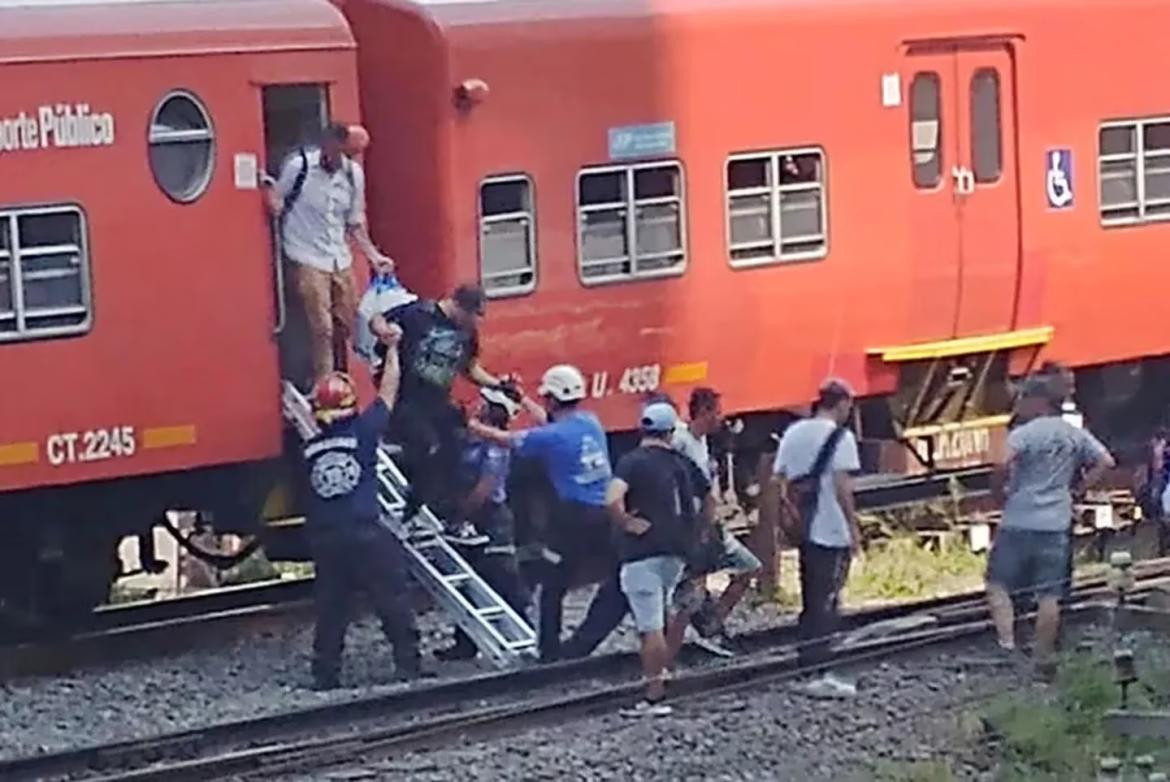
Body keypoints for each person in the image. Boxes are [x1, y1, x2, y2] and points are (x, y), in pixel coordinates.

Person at [301, 322, 422, 690]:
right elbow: (388, 392)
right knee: (391, 596)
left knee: (332, 606)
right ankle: (408, 664)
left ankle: (325, 674)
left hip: (325, 538)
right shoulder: (365, 433)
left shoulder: (308, 449)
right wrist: (394, 350)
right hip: (365, 532)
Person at [468, 364, 613, 661]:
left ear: (552, 398)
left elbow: (507, 440)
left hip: (573, 519)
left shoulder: (550, 438)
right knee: (619, 579)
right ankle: (583, 644)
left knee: (553, 586)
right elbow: (551, 420)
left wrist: (468, 425)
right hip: (606, 515)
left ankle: (550, 653)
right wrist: (521, 399)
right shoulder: (590, 422)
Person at [986, 374, 1114, 674]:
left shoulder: (1025, 434)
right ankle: (1042, 655)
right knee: (1049, 593)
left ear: (1038, 402)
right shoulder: (1073, 433)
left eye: (1024, 399)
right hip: (1056, 522)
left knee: (998, 583)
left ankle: (1007, 643)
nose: (1020, 405)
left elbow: (1002, 463)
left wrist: (998, 492)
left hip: (1018, 519)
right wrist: (1079, 489)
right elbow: (1106, 461)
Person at [370, 283, 509, 544]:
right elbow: (378, 319)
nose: (475, 321)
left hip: (437, 401)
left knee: (456, 448)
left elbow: (469, 369)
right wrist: (385, 332)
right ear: (458, 306)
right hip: (405, 398)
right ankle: (407, 517)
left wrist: (498, 384)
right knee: (427, 447)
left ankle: (453, 521)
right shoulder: (418, 314)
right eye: (473, 314)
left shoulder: (467, 332)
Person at [264, 122, 393, 381]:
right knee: (321, 325)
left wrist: (373, 255)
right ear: (326, 146)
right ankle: (325, 383)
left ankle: (342, 370)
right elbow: (277, 198)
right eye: (335, 153)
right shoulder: (299, 166)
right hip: (305, 253)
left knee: (347, 319)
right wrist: (270, 198)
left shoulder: (353, 174)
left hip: (338, 255)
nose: (338, 160)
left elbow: (355, 221)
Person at [608, 402, 701, 716]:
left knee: (650, 627)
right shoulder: (682, 462)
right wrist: (697, 533)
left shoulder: (631, 462)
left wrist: (626, 523)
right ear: (671, 433)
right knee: (663, 617)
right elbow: (708, 497)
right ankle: (664, 675)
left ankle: (654, 696)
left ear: (642, 430)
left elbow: (612, 498)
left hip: (641, 553)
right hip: (676, 550)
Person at [772, 378, 862, 698]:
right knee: (828, 600)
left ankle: (805, 663)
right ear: (841, 404)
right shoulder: (842, 438)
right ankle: (820, 669)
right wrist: (853, 529)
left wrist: (790, 516)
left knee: (811, 598)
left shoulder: (794, 432)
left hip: (804, 529)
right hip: (831, 530)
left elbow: (780, 479)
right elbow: (841, 486)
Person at [436, 387, 533, 661]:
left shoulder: (496, 448)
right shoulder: (473, 439)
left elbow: (485, 488)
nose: (478, 406)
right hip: (474, 513)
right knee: (468, 575)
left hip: (491, 518)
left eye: (485, 404)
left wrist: (463, 515)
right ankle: (465, 643)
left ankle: (526, 632)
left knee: (503, 576)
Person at [673, 388, 763, 657]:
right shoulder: (681, 441)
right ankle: (696, 636)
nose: (721, 419)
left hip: (710, 524)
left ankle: (712, 624)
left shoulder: (701, 442)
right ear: (704, 412)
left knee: (748, 568)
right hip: (693, 525)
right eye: (717, 412)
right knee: (694, 583)